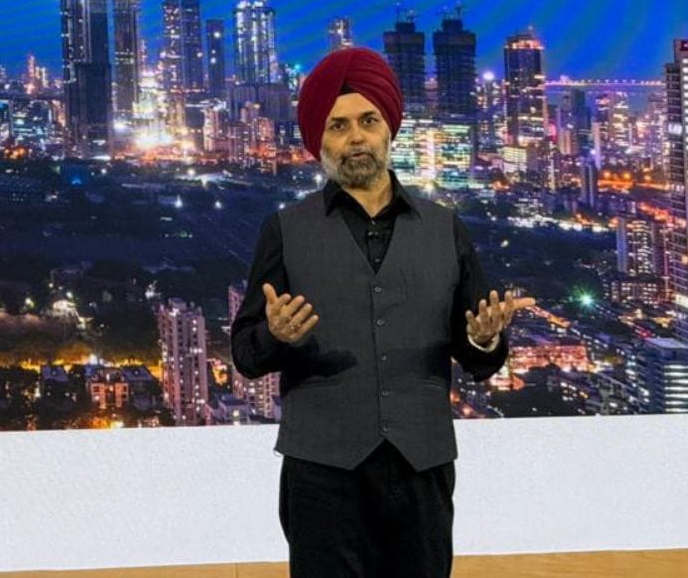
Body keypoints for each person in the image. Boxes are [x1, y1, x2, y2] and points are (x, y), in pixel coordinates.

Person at [229, 46, 535, 577]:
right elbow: (245, 353)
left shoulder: (446, 229)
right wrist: (275, 334)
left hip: (422, 466)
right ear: (318, 141)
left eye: (368, 121)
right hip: (322, 473)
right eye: (338, 125)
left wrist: (486, 340)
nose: (356, 138)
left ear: (389, 129)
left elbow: (479, 358)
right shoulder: (286, 228)